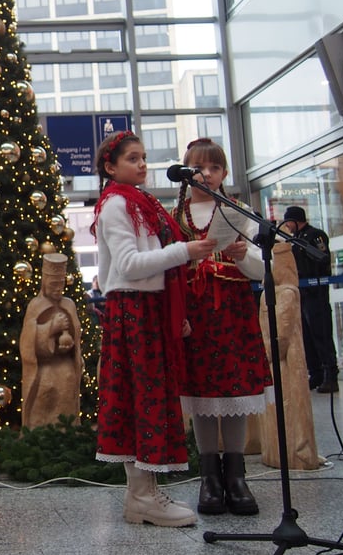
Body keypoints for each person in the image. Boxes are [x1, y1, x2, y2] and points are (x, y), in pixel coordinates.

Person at [90, 130, 215, 528]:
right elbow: (128, 265)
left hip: (147, 309)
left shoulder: (140, 201)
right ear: (111, 167)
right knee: (140, 399)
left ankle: (142, 495)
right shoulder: (116, 205)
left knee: (148, 398)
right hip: (133, 310)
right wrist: (184, 251)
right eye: (132, 158)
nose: (142, 164)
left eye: (143, 157)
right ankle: (142, 496)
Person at [171, 138, 272, 516]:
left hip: (233, 313)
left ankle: (237, 475)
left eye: (214, 167)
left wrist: (244, 256)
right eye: (199, 168)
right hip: (195, 315)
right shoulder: (177, 216)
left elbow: (262, 271)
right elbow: (171, 271)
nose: (207, 174)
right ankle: (209, 476)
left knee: (234, 393)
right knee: (201, 395)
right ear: (187, 172)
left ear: (225, 172)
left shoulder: (238, 212)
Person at [19, 253, 83, 428]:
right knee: (45, 385)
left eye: (61, 284)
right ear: (45, 282)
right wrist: (51, 327)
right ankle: (39, 431)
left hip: (64, 363)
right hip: (43, 366)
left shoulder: (69, 304)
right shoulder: (35, 305)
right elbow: (28, 341)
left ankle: (66, 431)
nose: (58, 289)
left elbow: (76, 336)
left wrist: (68, 342)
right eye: (54, 284)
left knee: (67, 379)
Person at [282, 205, 339, 393]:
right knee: (307, 336)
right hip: (303, 294)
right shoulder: (295, 239)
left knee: (321, 335)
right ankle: (316, 374)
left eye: (288, 222)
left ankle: (331, 375)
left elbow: (322, 259)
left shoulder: (315, 236)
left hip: (316, 294)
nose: (287, 226)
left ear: (295, 220)